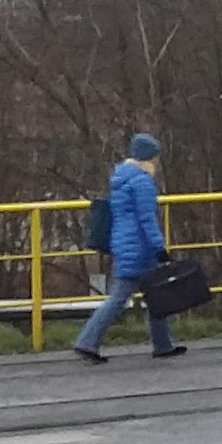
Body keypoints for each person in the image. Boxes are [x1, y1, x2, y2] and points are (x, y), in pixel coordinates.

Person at [72, 133, 185, 364]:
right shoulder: (142, 182)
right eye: (156, 156)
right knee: (120, 298)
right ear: (149, 157)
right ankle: (86, 342)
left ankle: (163, 344)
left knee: (155, 294)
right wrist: (159, 247)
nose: (157, 161)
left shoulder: (122, 179)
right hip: (139, 248)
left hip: (125, 243)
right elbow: (147, 219)